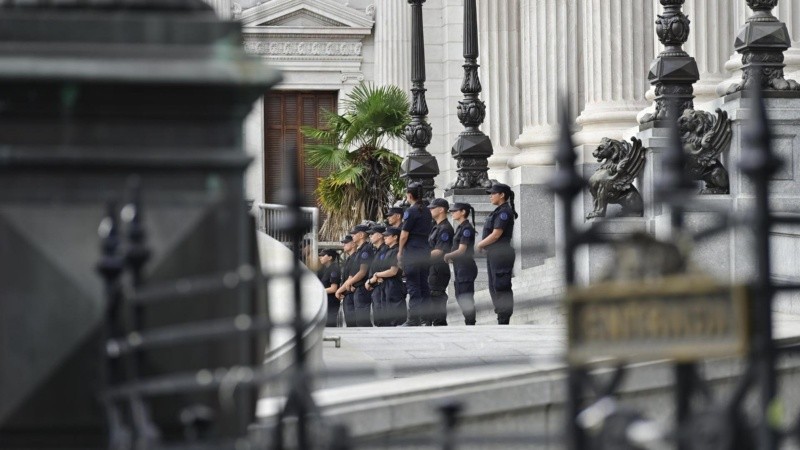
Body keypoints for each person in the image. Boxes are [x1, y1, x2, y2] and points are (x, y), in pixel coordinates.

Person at [476, 182, 517, 325]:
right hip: (494, 253)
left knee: (501, 285)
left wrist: (480, 244)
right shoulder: (498, 211)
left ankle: (504, 318)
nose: (490, 196)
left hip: (501, 253)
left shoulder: (504, 212)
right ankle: (501, 316)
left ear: (502, 195)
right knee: (494, 285)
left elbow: (496, 234)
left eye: (493, 193)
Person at [398, 182, 433, 326]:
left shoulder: (411, 211)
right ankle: (426, 318)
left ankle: (413, 319)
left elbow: (404, 235)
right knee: (424, 285)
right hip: (424, 250)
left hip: (412, 251)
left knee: (413, 286)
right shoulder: (427, 211)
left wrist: (400, 251)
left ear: (409, 195)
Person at [444, 202, 478, 325]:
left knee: (465, 297)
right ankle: (469, 321)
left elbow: (462, 250)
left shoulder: (466, 228)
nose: (452, 213)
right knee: (460, 295)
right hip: (459, 267)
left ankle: (470, 323)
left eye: (455, 211)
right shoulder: (460, 227)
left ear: (463, 212)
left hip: (466, 267)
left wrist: (448, 255)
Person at [368, 226, 406, 326]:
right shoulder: (389, 250)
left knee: (395, 317)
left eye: (387, 236)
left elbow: (393, 271)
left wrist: (377, 275)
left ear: (395, 237)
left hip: (394, 285)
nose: (384, 238)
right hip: (386, 285)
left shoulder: (396, 250)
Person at [338, 224, 374, 327]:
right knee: (358, 321)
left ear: (361, 235)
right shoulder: (360, 251)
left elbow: (362, 272)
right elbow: (352, 274)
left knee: (362, 321)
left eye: (354, 234)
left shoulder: (366, 249)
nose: (353, 236)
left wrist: (348, 283)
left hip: (362, 288)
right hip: (356, 288)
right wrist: (348, 283)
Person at [427, 198, 454, 326]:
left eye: (433, 208)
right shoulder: (436, 227)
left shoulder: (445, 228)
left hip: (439, 268)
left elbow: (439, 251)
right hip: (432, 267)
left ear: (441, 209)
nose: (430, 210)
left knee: (437, 295)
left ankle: (440, 326)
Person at [365, 223, 389, 326]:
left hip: (381, 287)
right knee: (378, 319)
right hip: (375, 287)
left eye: (372, 234)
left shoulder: (385, 250)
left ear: (379, 235)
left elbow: (383, 269)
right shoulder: (377, 251)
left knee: (382, 320)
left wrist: (370, 281)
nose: (370, 236)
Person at [336, 235, 357, 327]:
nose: (343, 245)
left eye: (346, 243)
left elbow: (351, 277)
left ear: (353, 244)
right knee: (350, 323)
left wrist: (339, 291)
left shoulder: (355, 258)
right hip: (347, 293)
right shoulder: (349, 258)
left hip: (352, 293)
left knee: (353, 323)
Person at [317, 248, 341, 327]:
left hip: (331, 302)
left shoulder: (334, 269)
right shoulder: (326, 269)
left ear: (330, 257)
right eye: (320, 255)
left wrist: (317, 291)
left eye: (323, 255)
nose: (320, 257)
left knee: (329, 326)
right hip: (327, 301)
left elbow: (333, 288)